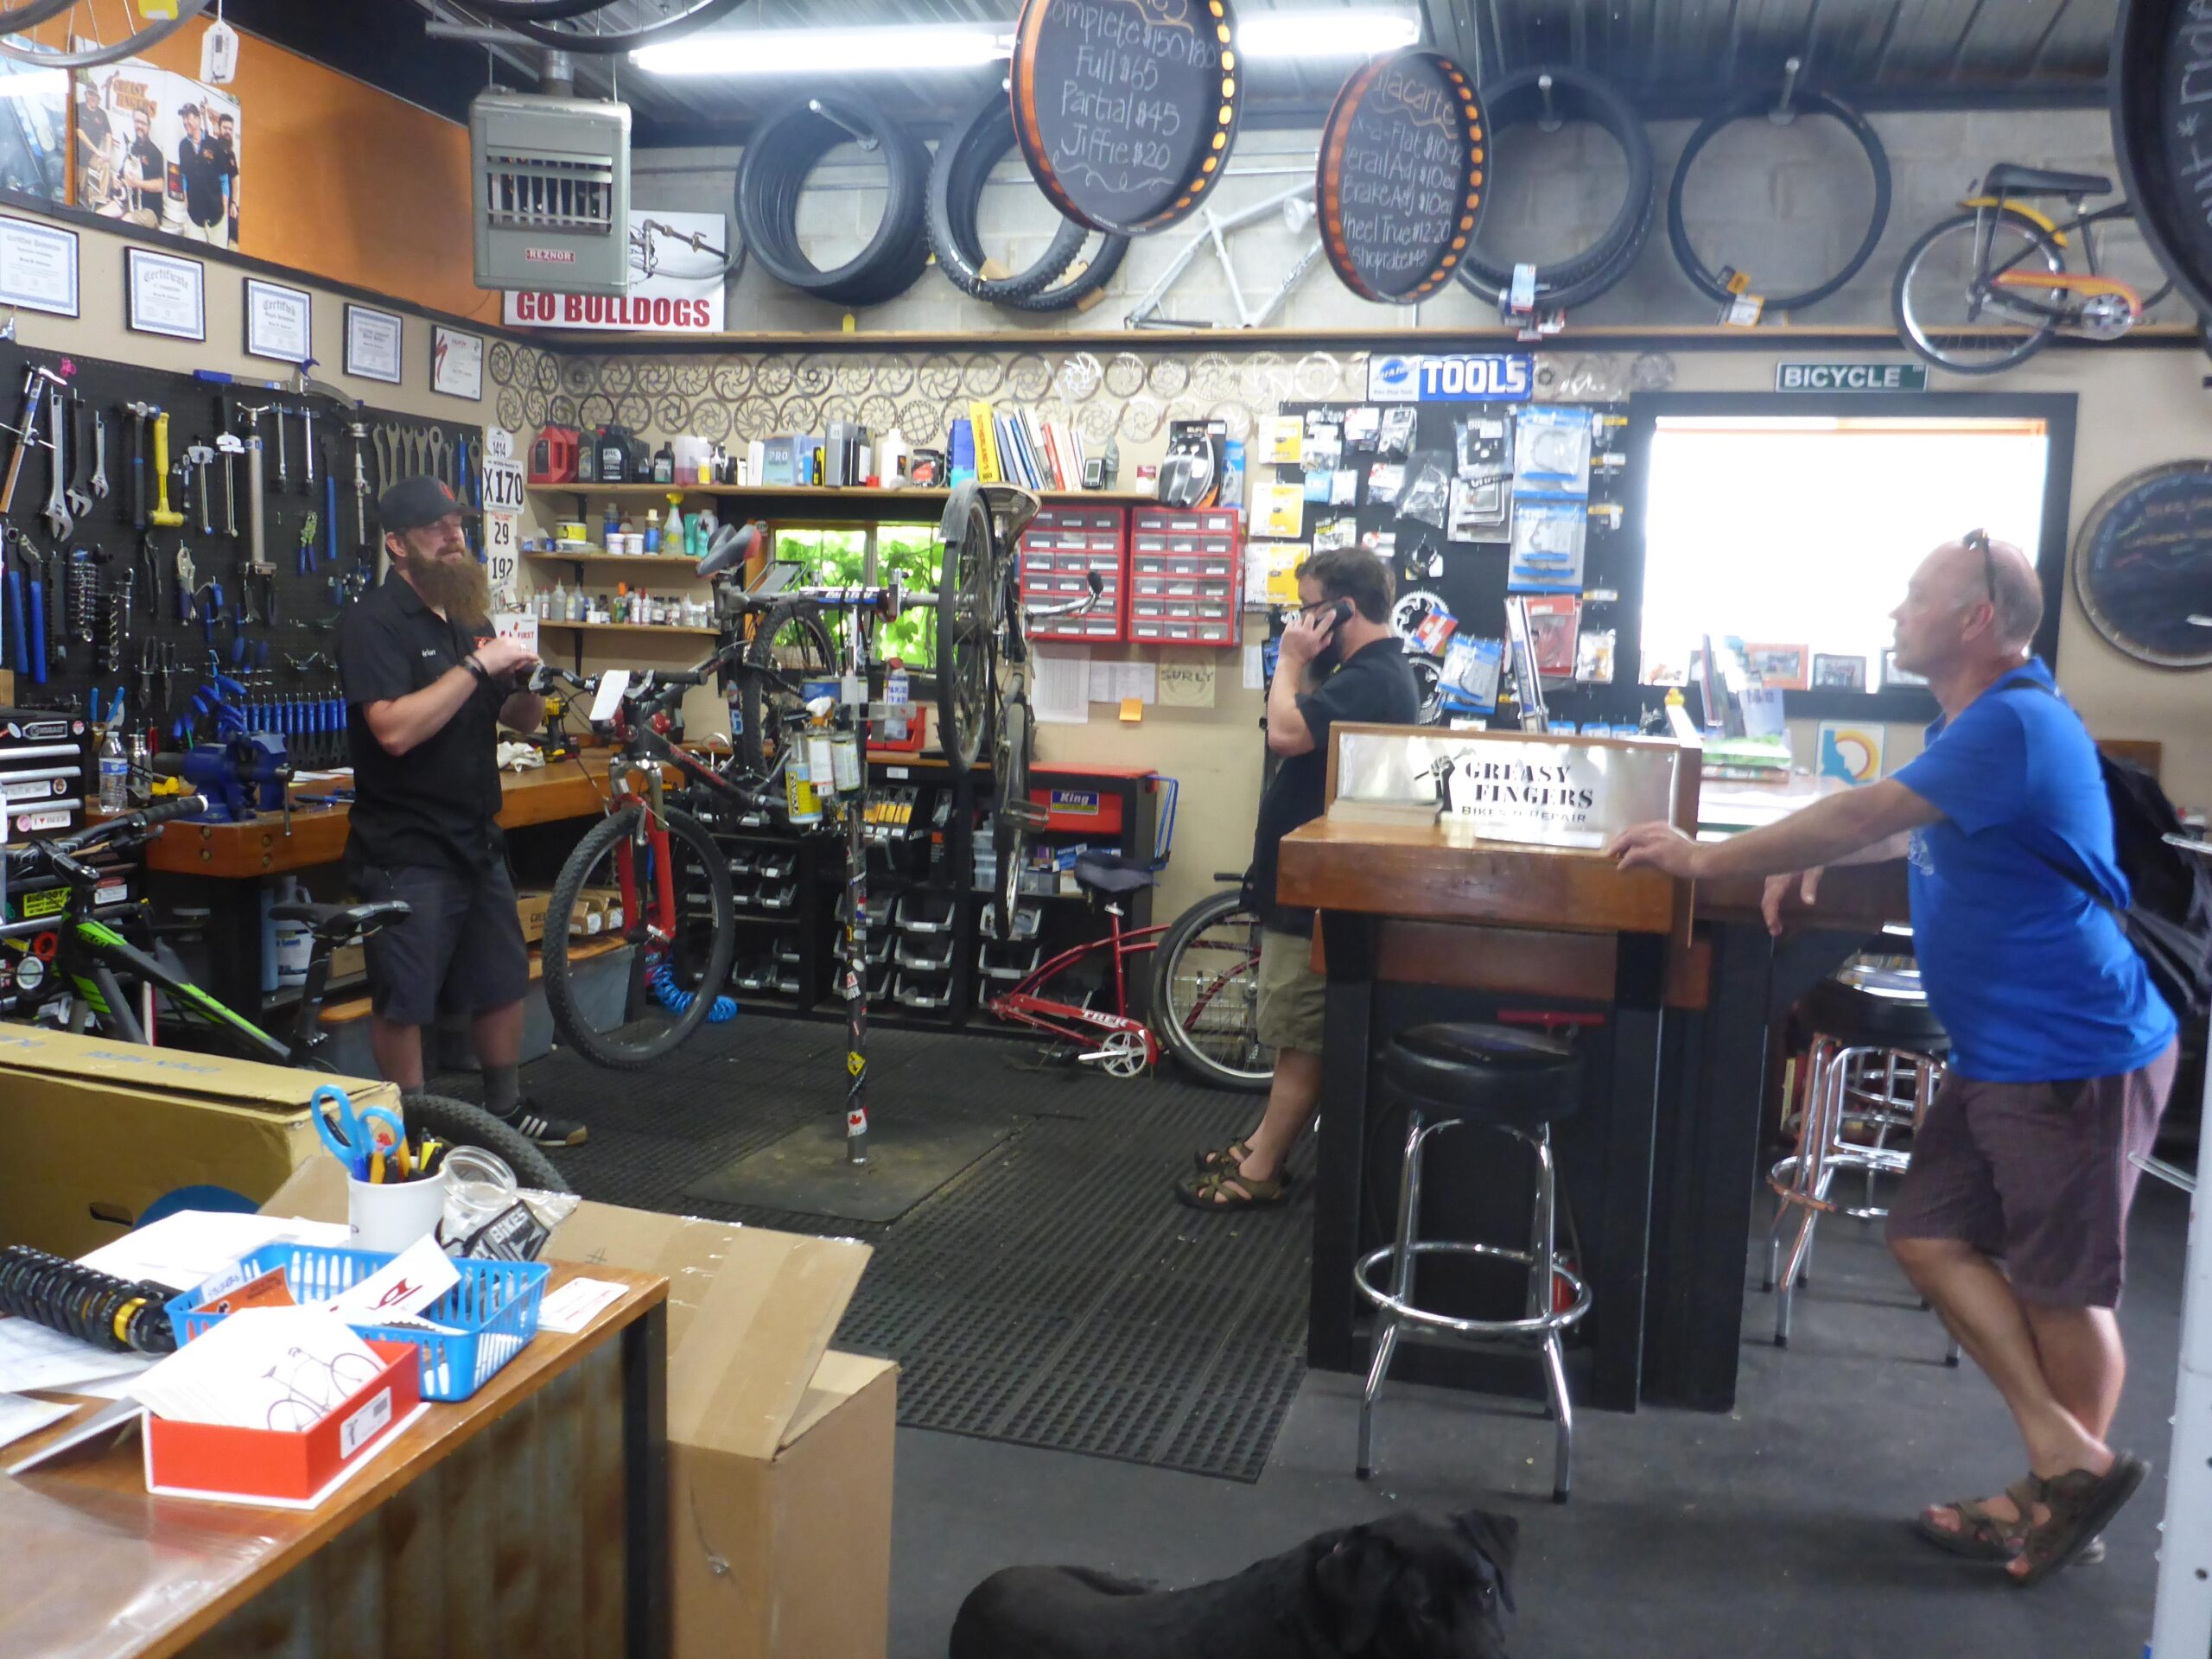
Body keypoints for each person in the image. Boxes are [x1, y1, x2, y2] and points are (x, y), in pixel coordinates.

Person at [1609, 531, 2176, 1585]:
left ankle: (2057, 1504)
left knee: (2062, 1291)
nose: (1894, 612)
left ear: (1974, 620)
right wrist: (1815, 856)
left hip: (2072, 1052)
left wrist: (1711, 859)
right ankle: (2066, 1464)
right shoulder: (1972, 721)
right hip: (2005, 1052)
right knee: (1924, 1238)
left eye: (1916, 597)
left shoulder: (2010, 719)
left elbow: (1867, 806)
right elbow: (1898, 822)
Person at [338, 476, 587, 1148]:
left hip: (477, 833)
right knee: (405, 996)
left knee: (502, 978)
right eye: (435, 528)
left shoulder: (469, 617)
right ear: (396, 544)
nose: (454, 538)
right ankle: (412, 1129)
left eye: (457, 525)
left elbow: (518, 720)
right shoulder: (373, 623)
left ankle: (504, 1113)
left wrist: (523, 682)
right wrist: (478, 671)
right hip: (406, 847)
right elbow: (393, 729)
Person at [1179, 546, 1419, 1209]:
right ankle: (1261, 1145)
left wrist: (1288, 661)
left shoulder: (1373, 676)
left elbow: (1286, 732)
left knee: (1301, 1034)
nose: (1304, 619)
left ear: (1343, 608)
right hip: (1310, 882)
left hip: (1322, 888)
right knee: (1293, 1032)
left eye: (1312, 606)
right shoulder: (1365, 674)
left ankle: (1263, 1171)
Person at [176, 105, 226, 247]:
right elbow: (184, 175)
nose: (185, 122)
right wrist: (185, 197)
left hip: (216, 214)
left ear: (198, 119)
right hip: (195, 215)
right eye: (183, 118)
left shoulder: (214, 144)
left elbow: (224, 176)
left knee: (219, 257)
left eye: (188, 117)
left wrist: (225, 202)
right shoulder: (183, 146)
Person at [121, 107, 163, 228]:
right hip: (128, 202)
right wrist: (117, 180)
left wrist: (137, 183)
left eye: (143, 123)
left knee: (125, 221)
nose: (139, 125)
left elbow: (160, 185)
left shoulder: (155, 153)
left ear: (149, 127)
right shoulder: (131, 147)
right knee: (101, 214)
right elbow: (121, 173)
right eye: (137, 121)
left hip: (149, 210)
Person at [213, 112, 240, 245]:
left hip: (229, 208)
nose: (227, 132)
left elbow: (235, 180)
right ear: (219, 128)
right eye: (225, 128)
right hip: (215, 208)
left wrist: (234, 203)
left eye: (230, 129)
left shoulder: (231, 154)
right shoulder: (212, 149)